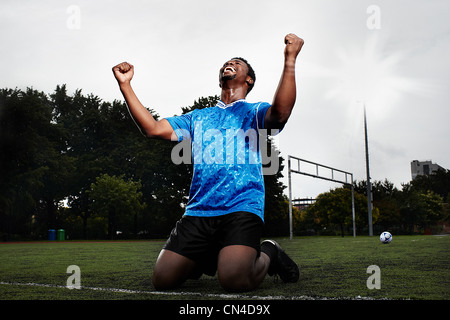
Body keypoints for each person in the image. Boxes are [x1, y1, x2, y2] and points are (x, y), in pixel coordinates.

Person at [112, 33, 304, 293]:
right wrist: (125, 85)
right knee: (163, 280)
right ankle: (209, 254)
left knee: (234, 281)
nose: (230, 63)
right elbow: (154, 129)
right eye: (227, 62)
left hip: (240, 207)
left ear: (248, 79)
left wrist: (289, 59)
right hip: (199, 210)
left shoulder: (254, 111)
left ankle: (269, 250)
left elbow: (280, 114)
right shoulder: (199, 117)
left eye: (237, 62)